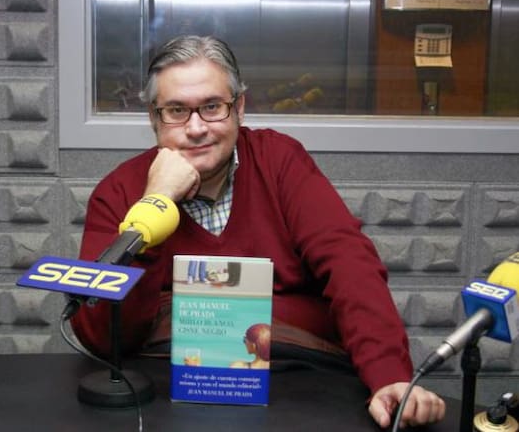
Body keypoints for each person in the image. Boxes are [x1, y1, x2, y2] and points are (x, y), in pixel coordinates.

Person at [71, 35, 446, 429]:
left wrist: (389, 376)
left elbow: (349, 265)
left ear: (239, 108)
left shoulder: (279, 161)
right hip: (162, 388)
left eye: (212, 107)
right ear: (154, 117)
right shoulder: (120, 192)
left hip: (299, 378)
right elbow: (100, 335)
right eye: (177, 110)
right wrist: (155, 205)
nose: (196, 128)